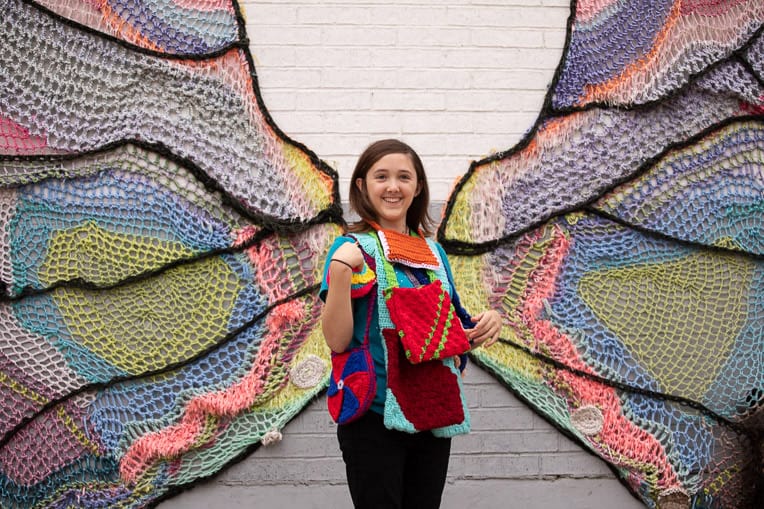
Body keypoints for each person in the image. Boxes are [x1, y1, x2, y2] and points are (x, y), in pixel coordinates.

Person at [320, 139, 502, 509]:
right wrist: (340, 272)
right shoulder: (351, 251)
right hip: (373, 416)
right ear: (361, 186)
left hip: (432, 414)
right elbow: (338, 342)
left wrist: (485, 324)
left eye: (404, 177)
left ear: (417, 187)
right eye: (381, 176)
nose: (393, 187)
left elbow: (446, 333)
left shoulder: (434, 254)